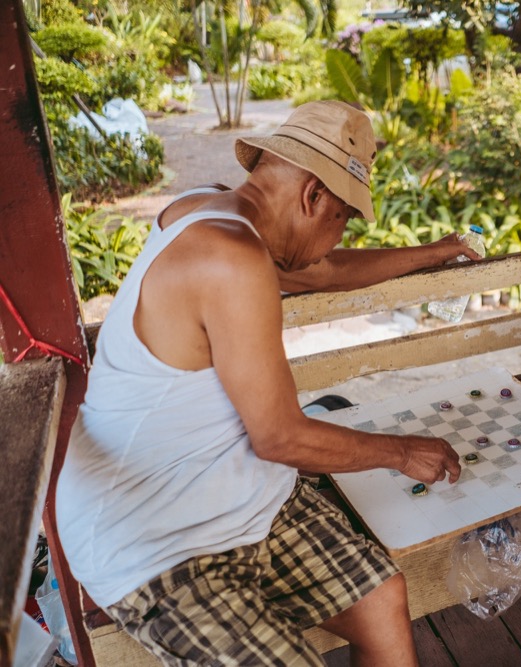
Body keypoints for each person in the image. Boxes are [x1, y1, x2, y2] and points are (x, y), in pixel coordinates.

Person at [55, 101, 467, 666]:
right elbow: (280, 439)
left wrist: (436, 253)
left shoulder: (204, 208)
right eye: (343, 219)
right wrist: (402, 451)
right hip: (153, 539)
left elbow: (320, 271)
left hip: (239, 497)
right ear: (312, 196)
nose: (337, 235)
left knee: (380, 597)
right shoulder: (230, 258)